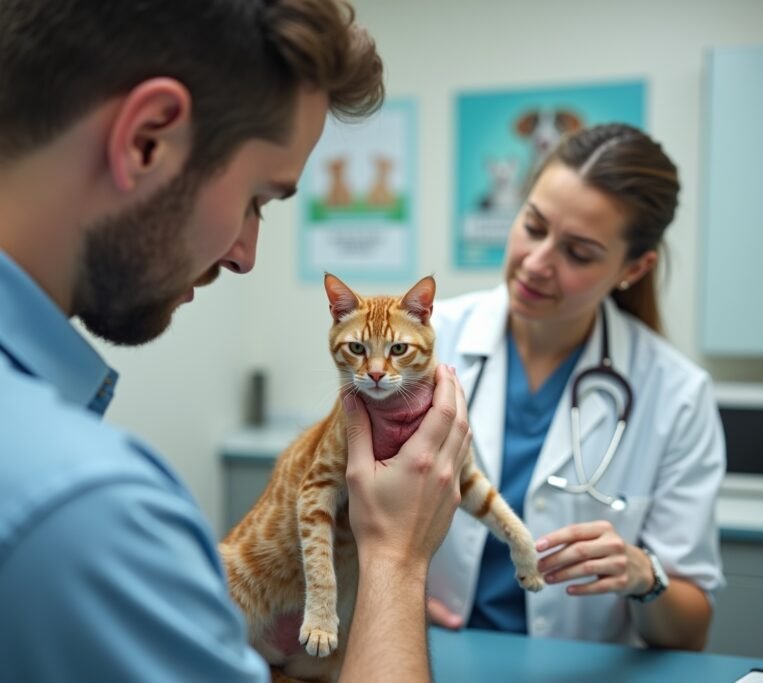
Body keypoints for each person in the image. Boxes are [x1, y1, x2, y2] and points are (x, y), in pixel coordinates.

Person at [0, 2, 470, 682]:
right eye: (257, 198)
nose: (247, 254)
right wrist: (396, 559)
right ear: (146, 142)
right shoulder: (84, 510)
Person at [426, 123, 725, 651]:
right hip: (431, 657)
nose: (537, 263)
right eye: (533, 226)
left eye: (579, 253)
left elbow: (690, 628)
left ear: (634, 267)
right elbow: (335, 508)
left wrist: (643, 576)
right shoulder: (427, 341)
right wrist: (386, 597)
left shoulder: (676, 393)